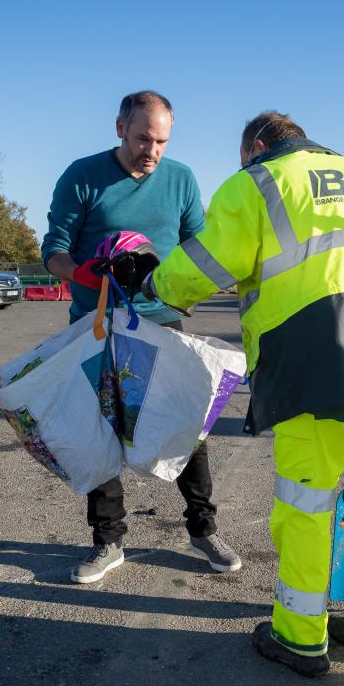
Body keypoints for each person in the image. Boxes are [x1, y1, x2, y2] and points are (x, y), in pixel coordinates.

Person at [142, 111, 344, 678]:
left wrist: (153, 284)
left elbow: (206, 264)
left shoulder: (257, 183)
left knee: (308, 503)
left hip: (311, 359)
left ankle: (301, 636)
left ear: (257, 146)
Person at [41, 90, 241, 584]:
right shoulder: (82, 176)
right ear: (119, 129)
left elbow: (200, 243)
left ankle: (204, 530)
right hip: (98, 324)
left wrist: (204, 285)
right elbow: (53, 249)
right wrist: (83, 275)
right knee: (101, 434)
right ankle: (108, 542)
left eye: (161, 142)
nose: (151, 151)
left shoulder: (181, 179)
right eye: (142, 139)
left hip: (161, 322)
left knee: (187, 427)